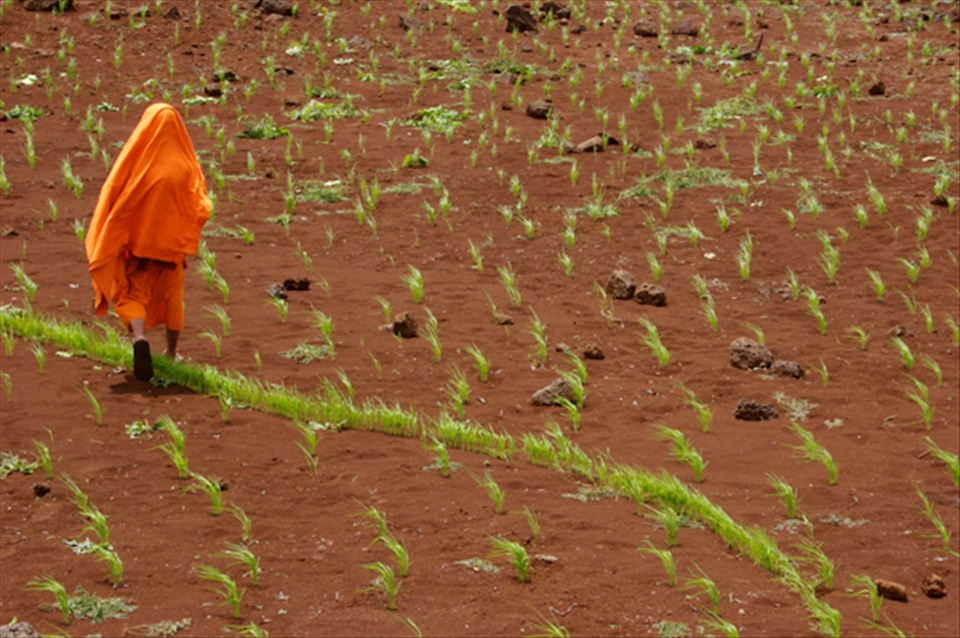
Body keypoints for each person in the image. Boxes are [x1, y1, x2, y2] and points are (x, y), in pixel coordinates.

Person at [85, 103, 211, 380]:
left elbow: (119, 197)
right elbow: (201, 205)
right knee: (173, 299)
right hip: (172, 250)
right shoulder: (185, 164)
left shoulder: (142, 165)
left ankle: (139, 338)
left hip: (142, 248)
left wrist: (121, 235)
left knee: (134, 296)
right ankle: (171, 352)